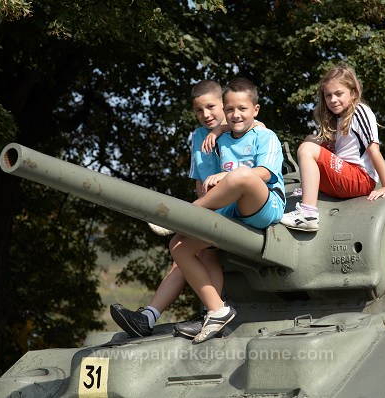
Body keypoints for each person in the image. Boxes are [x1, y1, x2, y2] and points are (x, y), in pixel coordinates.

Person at [169, 77, 286, 344]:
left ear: (255, 110)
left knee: (240, 176)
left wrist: (224, 177)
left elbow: (265, 173)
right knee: (179, 245)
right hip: (233, 212)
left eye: (242, 109)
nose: (235, 115)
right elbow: (209, 177)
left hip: (265, 206)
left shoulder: (265, 136)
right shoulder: (219, 140)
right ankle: (217, 309)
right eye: (230, 109)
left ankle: (186, 214)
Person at [110, 79, 228, 338]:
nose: (205, 115)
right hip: (208, 212)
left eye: (211, 107)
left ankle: (211, 312)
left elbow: (259, 129)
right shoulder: (197, 136)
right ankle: (150, 317)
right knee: (192, 257)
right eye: (199, 110)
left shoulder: (239, 127)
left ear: (224, 104)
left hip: (231, 214)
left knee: (184, 249)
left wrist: (220, 131)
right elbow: (199, 178)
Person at [280, 64, 385, 232]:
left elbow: (373, 149)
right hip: (345, 173)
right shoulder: (339, 118)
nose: (333, 100)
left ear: (353, 92)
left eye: (339, 93)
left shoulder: (360, 111)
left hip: (360, 177)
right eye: (328, 95)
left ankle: (308, 214)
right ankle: (309, 188)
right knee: (311, 140)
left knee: (307, 149)